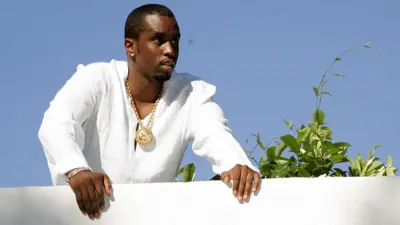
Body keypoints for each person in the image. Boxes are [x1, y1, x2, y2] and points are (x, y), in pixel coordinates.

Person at [38, 3, 261, 220]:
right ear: (130, 46)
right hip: (88, 215)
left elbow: (215, 132)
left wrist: (235, 165)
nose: (170, 50)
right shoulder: (97, 79)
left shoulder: (191, 93)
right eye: (159, 40)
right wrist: (77, 171)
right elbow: (57, 123)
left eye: (175, 41)